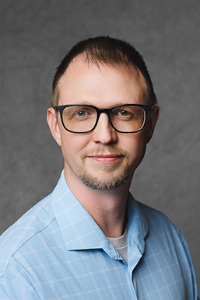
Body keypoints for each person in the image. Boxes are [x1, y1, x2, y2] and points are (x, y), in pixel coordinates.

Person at [0, 36, 198, 299]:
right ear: (56, 126)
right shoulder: (16, 270)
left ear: (150, 125)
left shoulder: (171, 239)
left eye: (124, 113)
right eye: (82, 113)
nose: (104, 136)